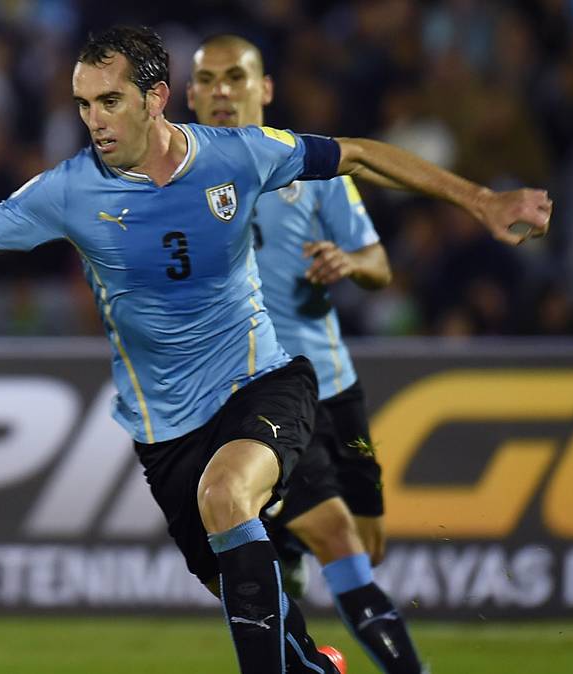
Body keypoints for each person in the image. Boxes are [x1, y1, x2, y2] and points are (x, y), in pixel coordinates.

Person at [0, 25, 549, 674]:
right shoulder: (68, 191)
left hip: (264, 383)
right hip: (166, 436)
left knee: (231, 500)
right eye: (83, 105)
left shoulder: (238, 155)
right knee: (261, 608)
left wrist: (481, 199)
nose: (94, 121)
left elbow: (358, 156)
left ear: (155, 99)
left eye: (109, 102)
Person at [187, 34, 423, 673]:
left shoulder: (313, 173)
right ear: (190, 95)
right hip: (258, 391)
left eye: (236, 78)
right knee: (336, 536)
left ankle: (303, 639)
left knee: (364, 544)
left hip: (337, 389)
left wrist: (350, 262)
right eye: (207, 81)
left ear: (264, 90)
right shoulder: (177, 177)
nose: (222, 93)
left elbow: (380, 265)